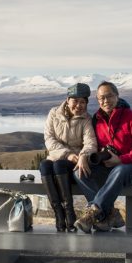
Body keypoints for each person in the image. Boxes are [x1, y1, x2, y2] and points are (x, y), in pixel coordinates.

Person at [73, 81, 132, 233]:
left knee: (120, 170)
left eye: (109, 96)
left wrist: (121, 159)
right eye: (101, 98)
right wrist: (83, 156)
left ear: (117, 96)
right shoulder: (96, 120)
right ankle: (109, 214)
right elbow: (91, 144)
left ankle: (93, 214)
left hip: (131, 169)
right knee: (78, 172)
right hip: (107, 169)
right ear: (98, 100)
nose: (105, 101)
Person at [40, 83, 97, 232]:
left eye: (83, 102)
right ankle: (59, 214)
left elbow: (90, 142)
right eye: (75, 101)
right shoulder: (54, 114)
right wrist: (67, 154)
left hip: (75, 164)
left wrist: (83, 155)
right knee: (45, 165)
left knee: (58, 165)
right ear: (67, 100)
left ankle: (69, 213)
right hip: (57, 158)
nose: (79, 105)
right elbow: (49, 139)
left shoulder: (86, 120)